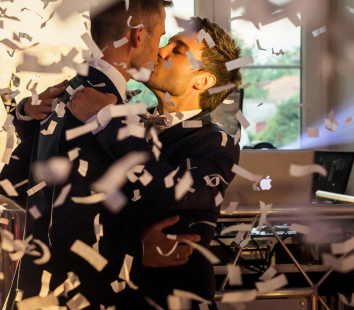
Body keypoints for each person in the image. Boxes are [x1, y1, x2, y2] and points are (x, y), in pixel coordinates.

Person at [0, 0, 184, 308]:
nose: (160, 49)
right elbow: (69, 230)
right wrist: (137, 250)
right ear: (139, 35)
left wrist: (26, 117)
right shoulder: (102, 109)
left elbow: (10, 185)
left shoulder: (65, 93)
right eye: (160, 36)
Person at [67, 17, 243, 308]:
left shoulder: (217, 144)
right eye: (167, 42)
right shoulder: (129, 121)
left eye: (177, 49)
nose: (160, 50)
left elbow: (167, 188)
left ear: (203, 80)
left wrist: (106, 120)